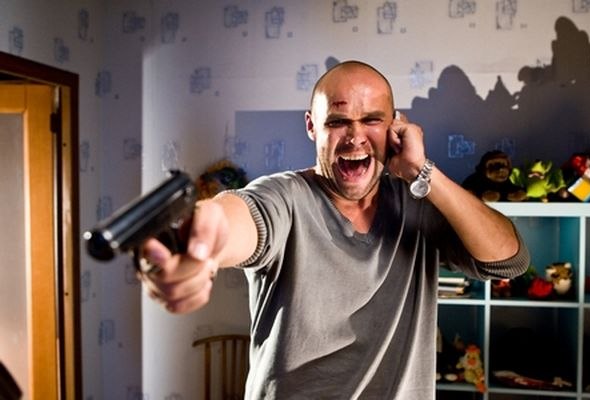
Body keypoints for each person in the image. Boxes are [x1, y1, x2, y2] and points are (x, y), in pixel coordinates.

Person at [139, 60, 530, 399]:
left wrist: (423, 172)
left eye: (371, 120)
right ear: (312, 126)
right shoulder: (284, 196)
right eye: (338, 121)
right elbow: (239, 217)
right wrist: (198, 242)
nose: (355, 137)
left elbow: (508, 260)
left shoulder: (418, 202)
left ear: (395, 126)